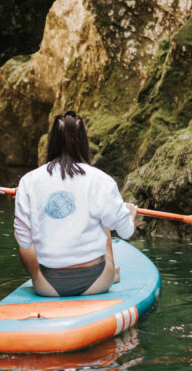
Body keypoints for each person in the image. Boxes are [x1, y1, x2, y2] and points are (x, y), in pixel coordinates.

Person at [13, 110, 138, 297]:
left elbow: (23, 240)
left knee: (25, 241)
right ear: (83, 141)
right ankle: (113, 274)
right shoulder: (101, 180)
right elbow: (127, 232)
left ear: (52, 141)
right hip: (97, 282)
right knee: (104, 221)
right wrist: (130, 216)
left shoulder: (28, 181)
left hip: (48, 287)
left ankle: (43, 277)